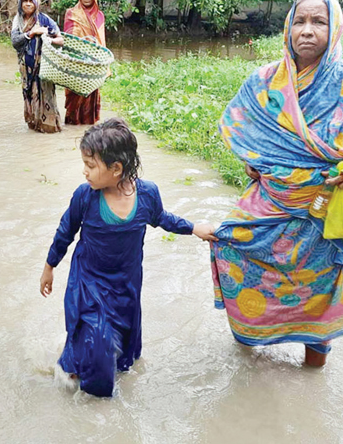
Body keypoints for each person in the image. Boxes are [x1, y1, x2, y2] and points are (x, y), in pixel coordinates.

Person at [212, 0, 343, 367]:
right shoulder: (263, 82)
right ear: (287, 28)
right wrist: (252, 160)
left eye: (319, 22)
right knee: (230, 244)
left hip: (325, 212)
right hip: (271, 204)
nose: (307, 30)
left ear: (336, 28)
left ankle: (313, 364)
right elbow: (238, 127)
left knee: (322, 291)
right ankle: (250, 349)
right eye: (299, 21)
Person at [40, 118, 217, 397]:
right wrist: (49, 267)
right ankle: (92, 397)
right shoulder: (85, 198)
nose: (84, 172)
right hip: (89, 281)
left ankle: (102, 373)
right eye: (84, 164)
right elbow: (65, 232)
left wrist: (194, 228)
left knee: (124, 347)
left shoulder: (147, 195)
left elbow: (161, 218)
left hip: (127, 281)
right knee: (96, 336)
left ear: (116, 169)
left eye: (90, 165)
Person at [11, 0, 64, 133]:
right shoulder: (18, 21)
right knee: (29, 95)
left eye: (31, 1)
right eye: (25, 1)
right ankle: (34, 127)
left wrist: (47, 37)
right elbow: (15, 42)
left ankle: (49, 127)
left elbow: (61, 40)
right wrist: (32, 33)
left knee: (45, 95)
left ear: (36, 3)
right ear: (21, 3)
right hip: (26, 70)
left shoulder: (44, 20)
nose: (28, 4)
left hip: (44, 67)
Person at [63, 0, 106, 125]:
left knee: (90, 97)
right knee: (74, 98)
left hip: (92, 63)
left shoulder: (99, 16)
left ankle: (88, 129)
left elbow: (101, 40)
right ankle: (72, 128)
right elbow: (68, 37)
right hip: (75, 62)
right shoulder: (71, 13)